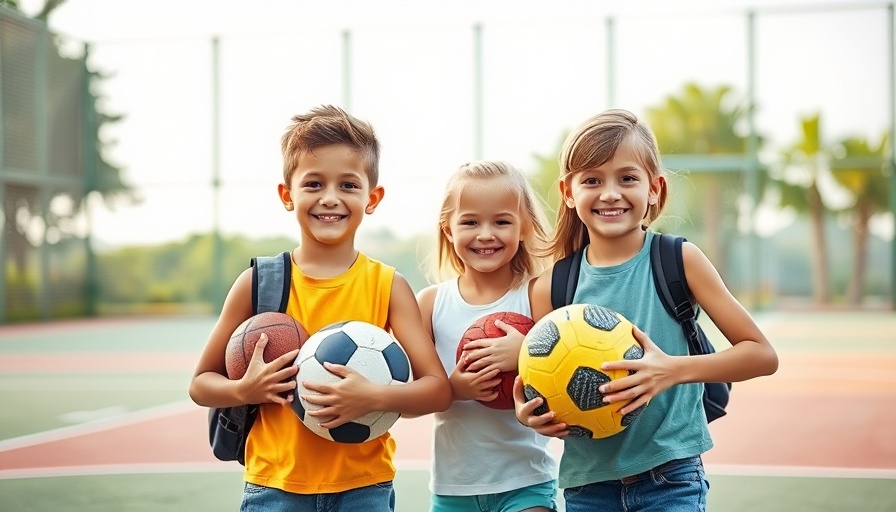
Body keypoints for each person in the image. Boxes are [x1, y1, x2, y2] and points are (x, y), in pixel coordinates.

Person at [189, 104, 453, 512]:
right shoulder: (257, 283)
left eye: (348, 185)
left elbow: (437, 389)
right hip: (274, 488)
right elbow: (201, 383)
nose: (330, 198)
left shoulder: (388, 286)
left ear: (372, 198)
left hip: (364, 489)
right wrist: (244, 390)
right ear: (286, 194)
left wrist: (375, 396)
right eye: (313, 184)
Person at [513, 109, 779, 512]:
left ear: (654, 188)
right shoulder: (551, 286)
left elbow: (761, 354)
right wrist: (530, 414)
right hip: (588, 487)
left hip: (671, 479)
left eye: (627, 178)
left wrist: (670, 370)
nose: (610, 193)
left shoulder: (679, 259)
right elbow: (547, 385)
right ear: (568, 192)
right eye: (591, 180)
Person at [416, 160, 560, 512]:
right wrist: (453, 389)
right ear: (448, 230)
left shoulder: (538, 294)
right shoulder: (431, 303)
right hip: (454, 489)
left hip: (526, 481)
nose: (485, 234)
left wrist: (526, 351)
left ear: (524, 227)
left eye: (501, 221)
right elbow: (406, 401)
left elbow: (565, 376)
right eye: (470, 222)